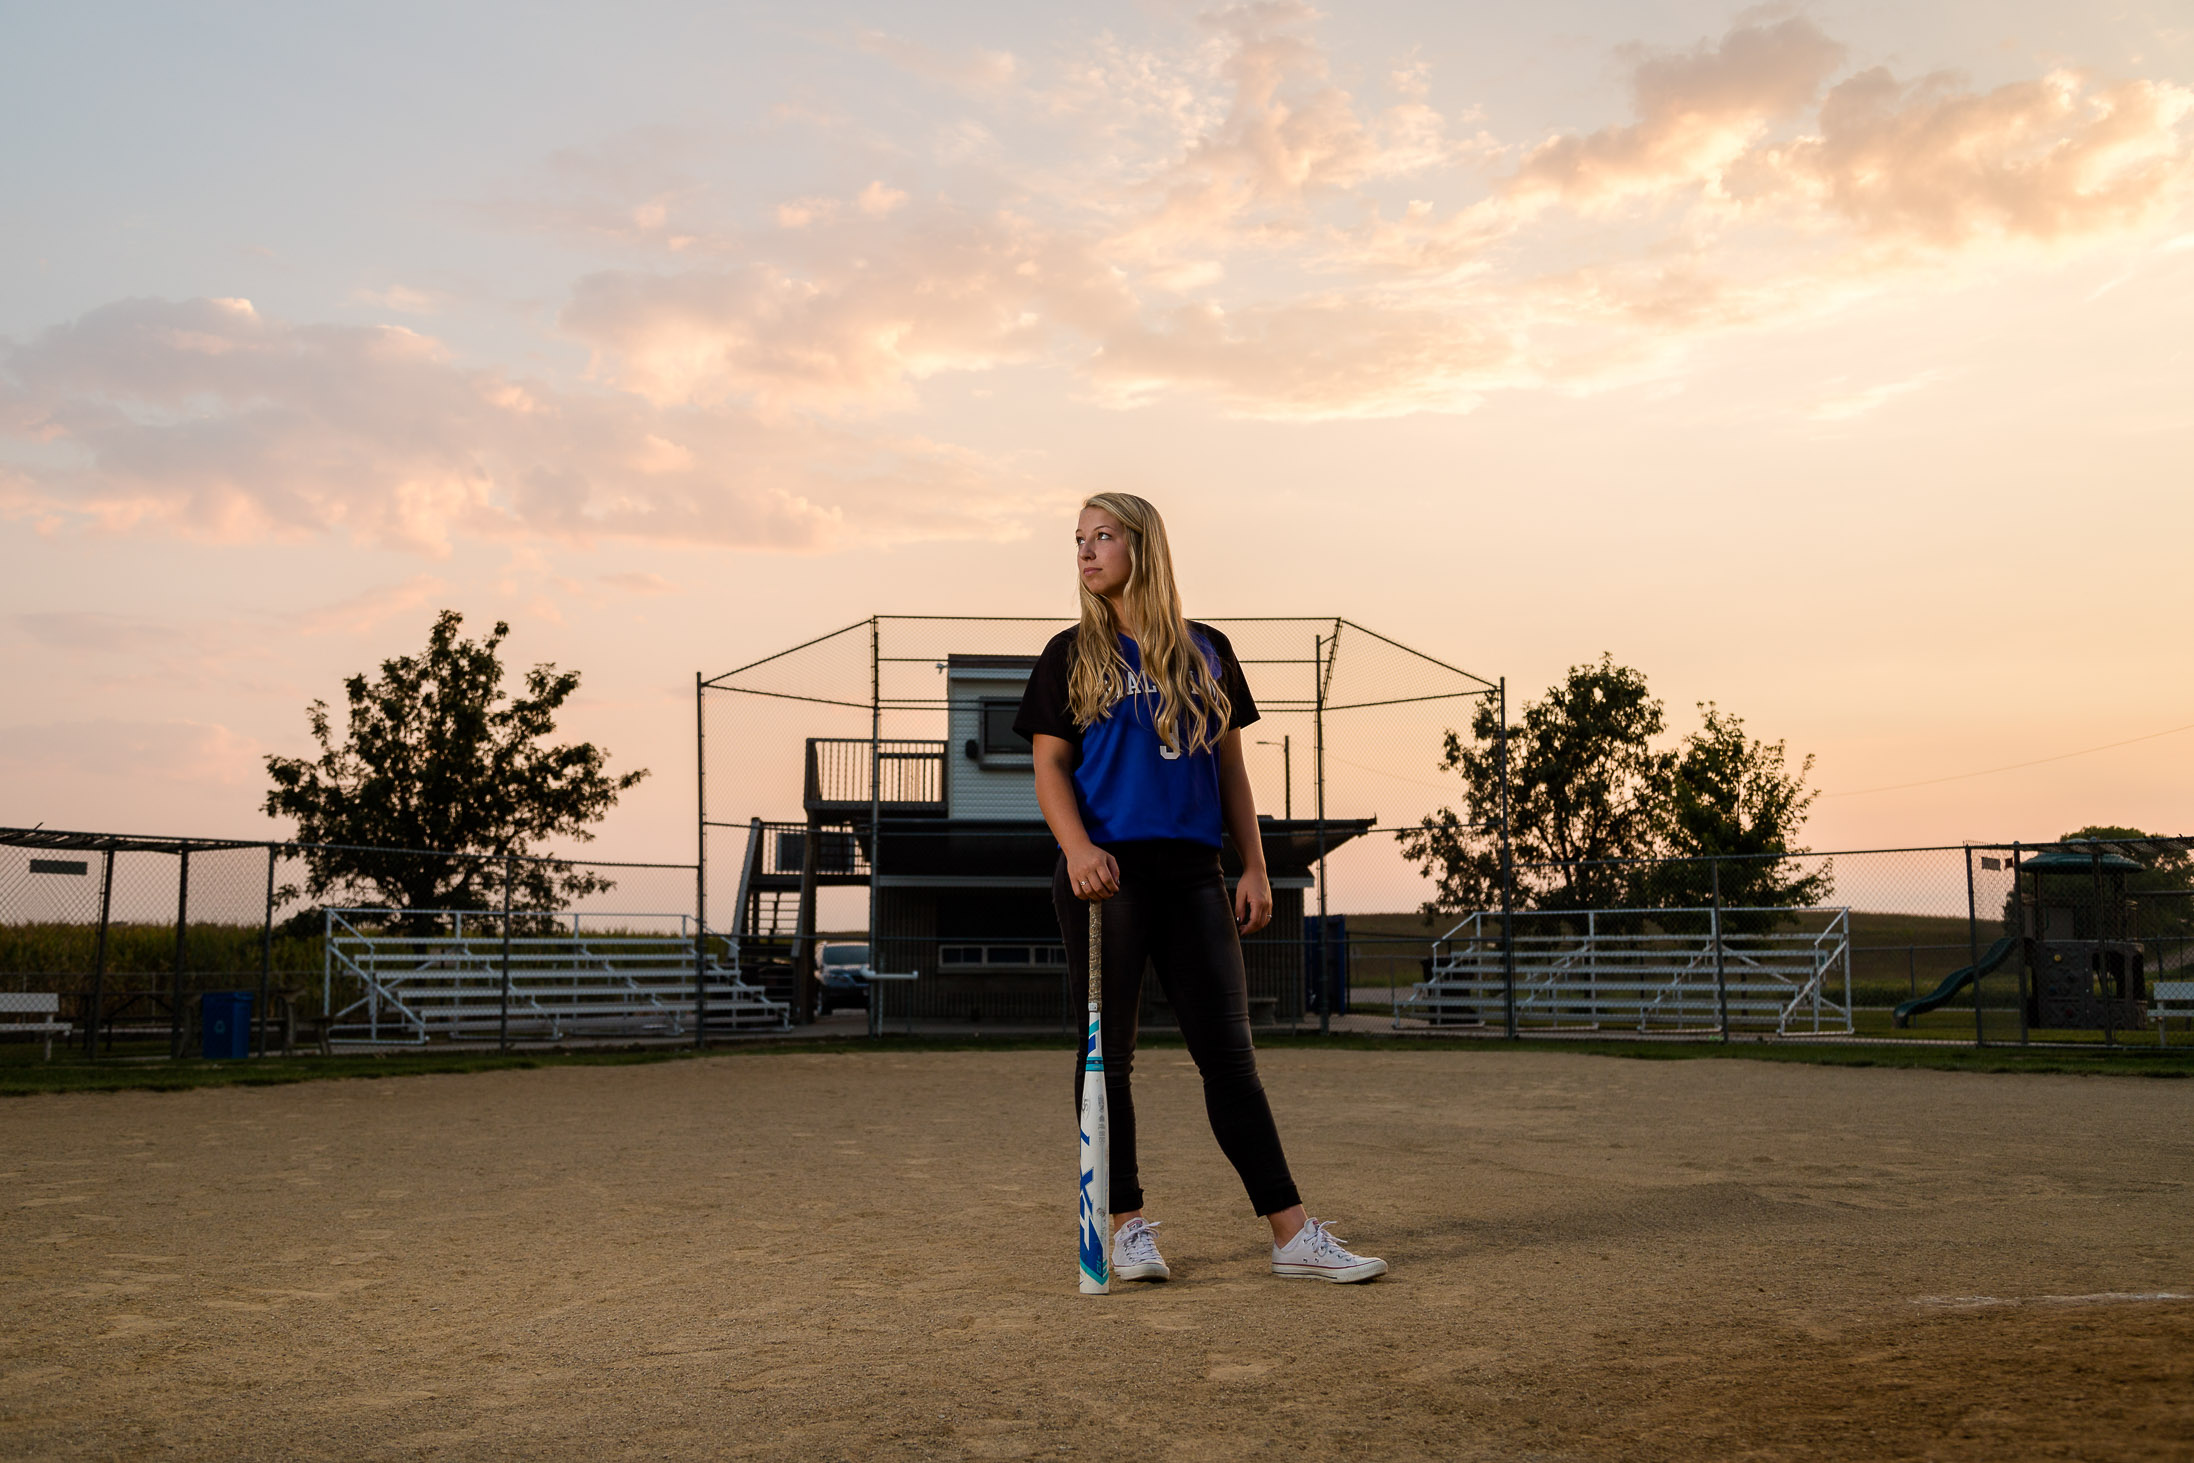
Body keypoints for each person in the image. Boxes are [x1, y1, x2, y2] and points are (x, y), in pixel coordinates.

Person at [1014, 491, 1387, 1285]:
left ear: (1142, 546)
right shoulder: (1068, 654)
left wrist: (1253, 864)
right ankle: (1125, 1225)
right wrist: (1076, 847)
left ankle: (1291, 1233)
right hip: (1104, 873)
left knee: (1231, 1058)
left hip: (1193, 873)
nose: (1085, 552)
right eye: (1077, 539)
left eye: (1102, 536)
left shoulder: (1207, 649)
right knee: (1106, 1060)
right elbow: (1048, 765)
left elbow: (1230, 770)